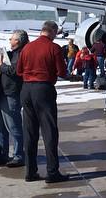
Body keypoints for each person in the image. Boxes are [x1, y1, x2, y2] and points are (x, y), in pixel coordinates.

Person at [16, 21, 69, 183]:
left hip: (26, 89)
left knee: (30, 132)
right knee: (49, 131)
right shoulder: (53, 48)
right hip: (43, 88)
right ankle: (52, 172)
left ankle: (30, 171)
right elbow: (62, 72)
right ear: (52, 31)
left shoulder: (27, 47)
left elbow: (19, 70)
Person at [0, 30, 29, 167]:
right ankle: (3, 154)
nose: (9, 40)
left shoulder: (21, 54)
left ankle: (19, 155)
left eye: (12, 39)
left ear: (18, 41)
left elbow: (14, 71)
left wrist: (1, 65)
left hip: (11, 94)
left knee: (13, 126)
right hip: (3, 93)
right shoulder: (13, 53)